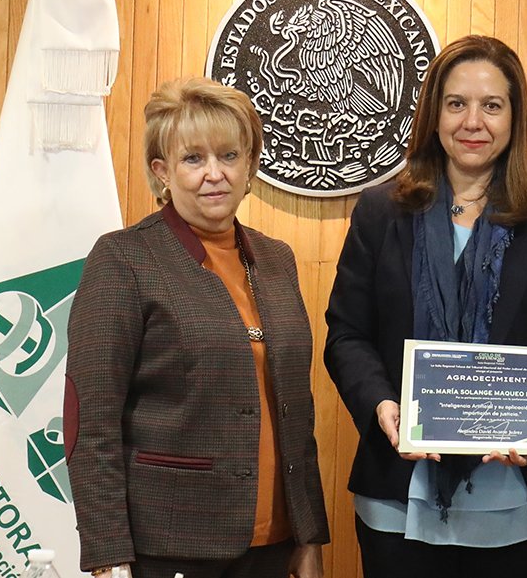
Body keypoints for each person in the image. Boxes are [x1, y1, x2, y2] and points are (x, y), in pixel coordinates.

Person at [324, 35, 527, 578]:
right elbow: (347, 333)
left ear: (515, 117)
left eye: (492, 105)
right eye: (456, 104)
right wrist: (381, 405)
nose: (473, 121)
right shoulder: (380, 212)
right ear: (434, 114)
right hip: (401, 491)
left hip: (523, 494)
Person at [64, 77, 329, 578]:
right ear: (162, 171)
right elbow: (91, 421)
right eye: (193, 158)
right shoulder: (124, 259)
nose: (215, 174)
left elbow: (296, 412)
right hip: (169, 546)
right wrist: (108, 554)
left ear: (249, 165)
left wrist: (308, 534)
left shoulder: (277, 260)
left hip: (276, 544)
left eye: (229, 156)